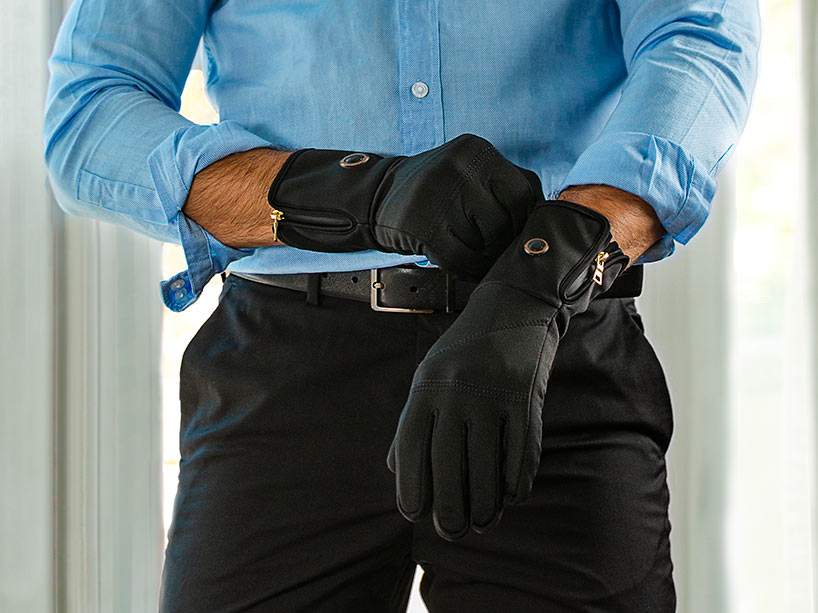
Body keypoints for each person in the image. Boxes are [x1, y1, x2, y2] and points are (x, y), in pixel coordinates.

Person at [43, 1, 759, 611]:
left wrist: (544, 274)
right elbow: (93, 107)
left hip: (554, 352)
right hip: (285, 379)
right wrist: (356, 192)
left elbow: (698, 40)